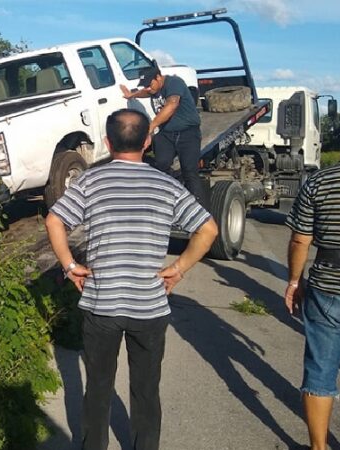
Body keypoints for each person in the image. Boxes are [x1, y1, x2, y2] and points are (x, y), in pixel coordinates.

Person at [45, 108, 218, 450]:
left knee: (97, 386)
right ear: (149, 141)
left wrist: (69, 265)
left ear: (108, 143)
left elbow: (54, 220)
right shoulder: (167, 185)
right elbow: (208, 229)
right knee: (146, 389)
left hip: (102, 304)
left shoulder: (90, 182)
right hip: (149, 306)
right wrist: (179, 268)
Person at [284, 104, 340, 450]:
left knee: (320, 374)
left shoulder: (320, 180)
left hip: (329, 289)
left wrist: (294, 281)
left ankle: (319, 447)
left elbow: (299, 239)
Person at [120, 64, 207, 208]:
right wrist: (132, 95)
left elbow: (172, 105)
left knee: (190, 172)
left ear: (158, 77)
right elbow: (146, 92)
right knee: (160, 165)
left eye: (150, 84)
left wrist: (152, 126)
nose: (148, 88)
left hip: (188, 133)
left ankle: (201, 212)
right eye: (146, 85)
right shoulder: (153, 88)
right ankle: (171, 197)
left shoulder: (174, 82)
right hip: (167, 133)